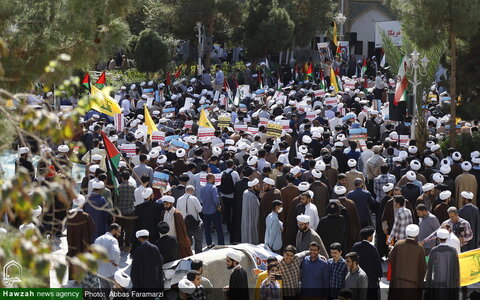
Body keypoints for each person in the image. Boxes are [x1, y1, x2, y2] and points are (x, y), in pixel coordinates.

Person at [388, 224, 426, 300]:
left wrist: (391, 249)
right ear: (416, 234)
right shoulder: (419, 248)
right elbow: (423, 267)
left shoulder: (398, 244)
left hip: (398, 282)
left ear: (406, 233)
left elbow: (390, 258)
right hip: (413, 283)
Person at [424, 228, 460, 300]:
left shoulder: (434, 250)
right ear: (447, 238)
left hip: (437, 280)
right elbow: (456, 268)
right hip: (449, 281)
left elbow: (430, 268)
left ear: (438, 238)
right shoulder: (453, 251)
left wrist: (428, 282)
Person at [66, 195, 95, 279]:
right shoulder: (86, 216)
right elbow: (92, 228)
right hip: (84, 243)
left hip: (72, 241)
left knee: (73, 256)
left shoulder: (70, 215)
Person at [351, 227, 383, 300]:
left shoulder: (355, 246)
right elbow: (377, 263)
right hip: (370, 279)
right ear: (369, 237)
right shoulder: (372, 248)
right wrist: (379, 275)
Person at [131, 187, 164, 255]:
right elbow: (164, 204)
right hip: (153, 234)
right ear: (151, 195)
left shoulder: (138, 208)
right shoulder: (156, 206)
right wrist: (162, 194)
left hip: (142, 235)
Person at [176, 185, 203, 254]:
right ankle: (198, 255)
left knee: (187, 241)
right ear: (191, 191)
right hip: (195, 223)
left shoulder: (179, 199)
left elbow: (177, 211)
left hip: (184, 223)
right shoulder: (194, 198)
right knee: (198, 240)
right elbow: (199, 210)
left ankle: (189, 254)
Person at [94, 223, 121, 289]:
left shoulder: (98, 239)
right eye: (118, 231)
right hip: (110, 271)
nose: (119, 234)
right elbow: (116, 252)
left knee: (105, 290)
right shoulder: (113, 240)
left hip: (100, 271)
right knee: (116, 291)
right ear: (114, 230)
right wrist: (116, 263)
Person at [200, 173, 224, 246]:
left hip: (205, 210)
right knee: (219, 228)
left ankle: (209, 243)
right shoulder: (213, 187)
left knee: (207, 229)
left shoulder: (202, 188)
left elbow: (201, 198)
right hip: (214, 210)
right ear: (211, 179)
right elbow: (216, 199)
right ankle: (221, 243)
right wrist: (218, 206)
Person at [116, 171, 136, 251]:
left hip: (120, 212)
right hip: (130, 211)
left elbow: (116, 200)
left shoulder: (119, 187)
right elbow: (134, 199)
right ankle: (127, 245)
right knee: (129, 229)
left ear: (121, 177)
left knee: (120, 229)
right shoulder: (132, 187)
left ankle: (120, 244)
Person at [259, 177, 283, 243]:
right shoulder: (278, 191)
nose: (263, 187)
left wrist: (261, 198)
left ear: (270, 185)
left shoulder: (267, 195)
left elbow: (262, 209)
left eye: (265, 185)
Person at [242, 178, 261, 244]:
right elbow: (257, 209)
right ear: (253, 187)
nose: (259, 187)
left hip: (247, 219)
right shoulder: (252, 196)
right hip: (252, 219)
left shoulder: (245, 192)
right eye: (257, 186)